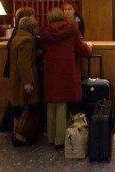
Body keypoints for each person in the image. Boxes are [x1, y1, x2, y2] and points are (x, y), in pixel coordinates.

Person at [41, 8, 93, 150]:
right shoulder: (72, 29)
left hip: (51, 70)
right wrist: (89, 47)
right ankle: (61, 140)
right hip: (66, 70)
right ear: (62, 17)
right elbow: (81, 49)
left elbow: (43, 51)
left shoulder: (45, 32)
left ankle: (51, 137)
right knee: (62, 104)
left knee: (52, 103)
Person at [9, 15, 40, 146]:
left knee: (18, 107)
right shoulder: (27, 40)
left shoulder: (17, 37)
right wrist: (28, 82)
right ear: (31, 28)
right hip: (23, 80)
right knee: (26, 107)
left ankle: (17, 134)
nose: (37, 29)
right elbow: (24, 62)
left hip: (16, 78)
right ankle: (21, 135)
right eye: (35, 27)